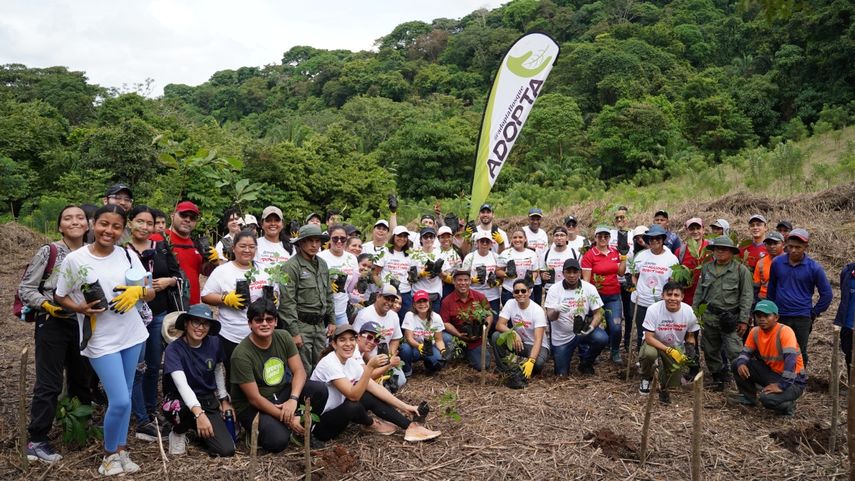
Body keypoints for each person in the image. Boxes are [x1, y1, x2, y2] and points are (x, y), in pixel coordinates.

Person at [55, 204, 155, 476]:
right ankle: (109, 455)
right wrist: (80, 309)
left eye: (116, 226)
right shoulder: (75, 260)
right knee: (121, 400)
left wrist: (138, 293)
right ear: (92, 224)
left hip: (132, 334)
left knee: (122, 398)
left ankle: (121, 450)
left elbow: (149, 290)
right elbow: (60, 295)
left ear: (123, 230)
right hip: (100, 339)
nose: (109, 231)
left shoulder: (127, 254)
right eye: (104, 224)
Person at [21, 205, 92, 463]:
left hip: (83, 321)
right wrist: (46, 304)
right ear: (60, 226)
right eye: (67, 218)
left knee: (81, 378)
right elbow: (26, 288)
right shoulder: (49, 251)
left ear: (88, 224)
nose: (75, 221)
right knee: (49, 382)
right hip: (52, 321)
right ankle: (37, 439)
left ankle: (80, 429)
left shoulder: (92, 252)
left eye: (80, 217)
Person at [310, 325, 441, 442]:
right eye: (342, 340)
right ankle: (372, 424)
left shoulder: (350, 362)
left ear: (356, 342)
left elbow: (374, 387)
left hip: (336, 414)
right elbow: (353, 396)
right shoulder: (329, 363)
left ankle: (410, 427)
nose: (348, 344)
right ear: (334, 344)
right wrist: (370, 368)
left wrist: (405, 407)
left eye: (351, 339)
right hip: (318, 426)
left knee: (366, 394)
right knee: (353, 405)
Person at [230, 299, 329, 453]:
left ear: (275, 322)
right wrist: (288, 419)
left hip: (281, 393)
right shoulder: (241, 354)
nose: (264, 324)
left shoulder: (283, 337)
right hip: (254, 406)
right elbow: (254, 398)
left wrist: (293, 399)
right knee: (277, 442)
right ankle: (264, 430)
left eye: (269, 319)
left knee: (319, 389)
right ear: (250, 324)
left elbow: (299, 371)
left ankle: (299, 427)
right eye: (258, 320)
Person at [125, 206, 182, 441]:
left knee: (152, 366)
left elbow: (178, 276)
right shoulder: (122, 252)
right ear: (130, 223)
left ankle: (150, 409)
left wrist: (169, 281)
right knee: (137, 368)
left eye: (149, 223)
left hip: (158, 314)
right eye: (140, 222)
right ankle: (141, 418)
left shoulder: (161, 248)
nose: (145, 227)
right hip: (131, 317)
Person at [162, 304, 235, 457]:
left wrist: (223, 399)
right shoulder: (173, 350)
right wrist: (199, 414)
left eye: (205, 323)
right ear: (186, 323)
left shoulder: (214, 343)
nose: (200, 327)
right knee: (181, 410)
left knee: (226, 449)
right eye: (196, 322)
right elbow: (182, 385)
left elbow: (217, 369)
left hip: (206, 399)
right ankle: (178, 432)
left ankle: (199, 429)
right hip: (180, 400)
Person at [202, 231, 276, 379]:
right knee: (235, 374)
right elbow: (205, 296)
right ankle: (234, 401)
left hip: (261, 333)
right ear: (234, 248)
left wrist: (274, 300)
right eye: (242, 246)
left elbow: (276, 294)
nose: (247, 250)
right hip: (232, 334)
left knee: (261, 373)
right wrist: (225, 299)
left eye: (251, 246)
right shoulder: (222, 271)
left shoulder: (265, 271)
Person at [693, 236, 753, 391]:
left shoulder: (741, 270)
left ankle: (744, 384)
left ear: (732, 252)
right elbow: (699, 292)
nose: (720, 252)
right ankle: (719, 377)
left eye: (724, 249)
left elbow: (747, 296)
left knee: (735, 351)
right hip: (709, 316)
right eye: (717, 248)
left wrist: (743, 320)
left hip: (730, 319)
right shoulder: (706, 268)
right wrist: (694, 314)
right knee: (710, 349)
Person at [766, 228, 833, 367]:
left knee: (799, 351)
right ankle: (779, 378)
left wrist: (814, 312)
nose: (794, 250)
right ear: (786, 245)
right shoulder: (778, 263)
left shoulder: (814, 268)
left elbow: (827, 294)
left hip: (802, 316)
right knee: (778, 348)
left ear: (805, 247)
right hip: (780, 315)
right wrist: (771, 309)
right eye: (791, 246)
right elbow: (771, 288)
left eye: (798, 247)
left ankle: (799, 380)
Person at [278, 224, 336, 374]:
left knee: (321, 365)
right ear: (301, 243)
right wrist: (294, 332)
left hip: (319, 325)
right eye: (309, 241)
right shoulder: (291, 267)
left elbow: (328, 293)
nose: (314, 245)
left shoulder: (322, 264)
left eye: (317, 241)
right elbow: (287, 303)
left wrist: (331, 320)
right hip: (301, 325)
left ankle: (319, 397)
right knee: (303, 369)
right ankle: (303, 397)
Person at [732, 300, 806, 416]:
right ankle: (748, 398)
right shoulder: (755, 331)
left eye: (766, 315)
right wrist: (741, 363)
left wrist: (781, 386)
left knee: (766, 399)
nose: (762, 319)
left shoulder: (785, 332)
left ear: (776, 317)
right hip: (773, 373)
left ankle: (787, 406)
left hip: (794, 381)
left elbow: (791, 361)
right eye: (758, 315)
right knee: (736, 363)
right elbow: (745, 352)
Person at [638, 282, 700, 405]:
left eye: (676, 295)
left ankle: (661, 372)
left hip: (675, 347)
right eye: (669, 294)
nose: (672, 298)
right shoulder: (653, 309)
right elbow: (649, 338)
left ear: (682, 297)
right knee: (649, 354)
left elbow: (691, 336)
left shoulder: (689, 311)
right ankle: (646, 377)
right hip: (654, 343)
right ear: (662, 295)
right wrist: (668, 350)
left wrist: (690, 350)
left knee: (673, 384)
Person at [544, 259, 608, 376]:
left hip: (582, 330)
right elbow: (550, 317)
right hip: (562, 337)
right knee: (561, 374)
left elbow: (598, 313)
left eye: (575, 272)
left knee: (601, 338)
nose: (572, 275)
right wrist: (556, 309)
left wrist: (591, 327)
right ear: (563, 273)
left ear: (580, 272)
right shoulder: (554, 289)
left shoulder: (588, 288)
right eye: (568, 272)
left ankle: (586, 362)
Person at [491, 279, 549, 388]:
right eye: (517, 292)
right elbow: (499, 325)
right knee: (496, 337)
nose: (520, 294)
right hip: (519, 342)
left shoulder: (537, 311)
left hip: (536, 345)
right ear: (513, 293)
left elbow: (538, 340)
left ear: (529, 292)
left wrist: (531, 360)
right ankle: (504, 370)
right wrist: (513, 333)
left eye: (523, 291)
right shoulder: (510, 303)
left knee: (538, 364)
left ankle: (526, 366)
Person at [629, 225, 679, 351]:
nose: (654, 241)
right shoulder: (641, 256)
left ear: (663, 239)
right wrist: (636, 288)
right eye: (651, 238)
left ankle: (658, 360)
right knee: (642, 333)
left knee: (658, 333)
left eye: (657, 238)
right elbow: (634, 275)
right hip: (640, 302)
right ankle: (642, 359)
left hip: (659, 304)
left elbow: (672, 283)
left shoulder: (671, 259)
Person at [581, 226, 626, 363]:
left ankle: (615, 351)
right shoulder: (589, 255)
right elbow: (586, 281)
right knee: (594, 326)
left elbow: (621, 273)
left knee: (616, 327)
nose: (602, 239)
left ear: (609, 238)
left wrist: (623, 258)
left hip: (613, 295)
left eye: (606, 236)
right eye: (599, 236)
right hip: (596, 297)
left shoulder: (614, 252)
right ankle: (594, 351)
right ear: (595, 238)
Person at [440, 270, 494, 370]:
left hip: (475, 338)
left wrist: (484, 330)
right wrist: (458, 334)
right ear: (454, 282)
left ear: (470, 281)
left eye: (466, 280)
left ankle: (468, 353)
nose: (463, 283)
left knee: (483, 365)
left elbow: (489, 314)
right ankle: (451, 356)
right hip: (457, 338)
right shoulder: (447, 301)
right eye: (459, 280)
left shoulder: (479, 297)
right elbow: (445, 323)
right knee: (445, 337)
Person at [156, 201, 207, 304]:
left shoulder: (196, 245)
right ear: (172, 216)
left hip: (193, 308)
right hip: (167, 308)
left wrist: (212, 262)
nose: (187, 219)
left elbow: (205, 272)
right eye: (183, 215)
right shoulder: (158, 239)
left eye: (192, 218)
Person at [318, 224, 359, 325]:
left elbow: (352, 285)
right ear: (329, 239)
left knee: (343, 339)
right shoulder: (320, 257)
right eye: (335, 238)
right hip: (323, 311)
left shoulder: (352, 258)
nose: (339, 241)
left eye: (343, 239)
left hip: (342, 310)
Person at [400, 290, 446, 376]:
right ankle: (407, 370)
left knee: (437, 360)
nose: (422, 304)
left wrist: (442, 351)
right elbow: (409, 338)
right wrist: (419, 346)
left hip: (429, 347)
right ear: (414, 304)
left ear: (429, 302)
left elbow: (438, 340)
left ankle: (429, 366)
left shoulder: (436, 317)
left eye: (425, 301)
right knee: (404, 348)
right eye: (419, 302)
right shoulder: (410, 315)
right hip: (413, 347)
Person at [375, 225, 415, 320]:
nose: (402, 238)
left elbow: (412, 274)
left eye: (405, 236)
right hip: (388, 293)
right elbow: (375, 274)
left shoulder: (410, 254)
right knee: (385, 318)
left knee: (405, 320)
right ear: (393, 237)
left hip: (405, 292)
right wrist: (383, 287)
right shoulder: (384, 251)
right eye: (399, 236)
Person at [461, 231, 502, 315]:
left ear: (491, 244)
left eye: (487, 241)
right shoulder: (470, 257)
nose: (484, 243)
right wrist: (472, 280)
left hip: (493, 296)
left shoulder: (496, 257)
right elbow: (462, 277)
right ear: (477, 243)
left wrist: (498, 282)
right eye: (482, 241)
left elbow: (501, 276)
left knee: (493, 322)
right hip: (474, 295)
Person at [497, 228, 540, 305]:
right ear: (511, 240)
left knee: (527, 315)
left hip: (527, 291)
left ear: (525, 239)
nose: (517, 240)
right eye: (515, 237)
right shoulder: (505, 253)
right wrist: (506, 274)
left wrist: (532, 279)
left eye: (520, 237)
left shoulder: (532, 254)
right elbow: (497, 271)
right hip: (509, 291)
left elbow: (536, 271)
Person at [675, 217, 710, 305]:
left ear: (703, 229)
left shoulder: (712, 249)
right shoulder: (680, 252)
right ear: (686, 231)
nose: (695, 231)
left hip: (707, 298)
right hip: (686, 299)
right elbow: (675, 275)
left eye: (698, 228)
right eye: (691, 229)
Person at [410, 227, 443, 312]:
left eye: (431, 237)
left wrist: (439, 272)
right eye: (425, 237)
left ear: (434, 238)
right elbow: (410, 278)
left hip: (434, 293)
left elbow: (445, 276)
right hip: (419, 293)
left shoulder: (440, 254)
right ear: (421, 239)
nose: (428, 239)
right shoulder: (415, 255)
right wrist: (421, 274)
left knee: (433, 321)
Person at [255, 205, 293, 273]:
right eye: (268, 220)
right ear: (262, 224)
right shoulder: (255, 245)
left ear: (282, 224)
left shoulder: (291, 246)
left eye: (277, 220)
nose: (273, 223)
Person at [541, 227, 577, 297]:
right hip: (551, 292)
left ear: (567, 238)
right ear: (553, 238)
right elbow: (541, 271)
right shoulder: (545, 254)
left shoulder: (574, 253)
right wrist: (543, 275)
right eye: (556, 235)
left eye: (562, 235)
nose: (559, 238)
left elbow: (580, 272)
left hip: (570, 291)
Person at [834, 262, 855, 372]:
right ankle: (852, 386)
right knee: (849, 357)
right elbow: (845, 295)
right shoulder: (847, 271)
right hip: (848, 324)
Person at [754, 232, 785, 300]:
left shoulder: (790, 261)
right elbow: (756, 285)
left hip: (783, 299)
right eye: (769, 243)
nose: (772, 246)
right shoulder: (760, 263)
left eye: (775, 243)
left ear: (783, 244)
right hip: (764, 298)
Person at [436, 225, 463, 299]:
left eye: (448, 236)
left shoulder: (456, 253)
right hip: (439, 287)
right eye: (443, 237)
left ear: (452, 237)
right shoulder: (434, 252)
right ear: (438, 238)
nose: (446, 239)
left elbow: (459, 271)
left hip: (453, 286)